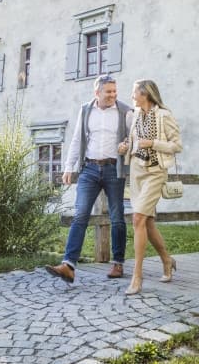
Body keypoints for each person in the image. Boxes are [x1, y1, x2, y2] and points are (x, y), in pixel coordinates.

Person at [45, 74, 133, 284]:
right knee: (80, 214)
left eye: (114, 91)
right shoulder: (85, 110)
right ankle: (68, 265)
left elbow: (134, 138)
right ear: (97, 92)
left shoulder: (125, 111)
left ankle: (118, 262)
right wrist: (69, 167)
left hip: (114, 169)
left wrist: (127, 146)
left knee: (117, 217)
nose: (113, 95)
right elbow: (77, 139)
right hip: (89, 169)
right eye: (108, 91)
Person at [117, 79, 182, 295]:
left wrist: (153, 143)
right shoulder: (135, 115)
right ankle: (167, 260)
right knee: (148, 222)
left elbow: (176, 145)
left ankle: (137, 276)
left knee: (138, 218)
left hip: (155, 172)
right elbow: (134, 142)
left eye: (134, 92)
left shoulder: (164, 115)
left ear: (145, 94)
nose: (132, 96)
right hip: (137, 172)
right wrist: (125, 147)